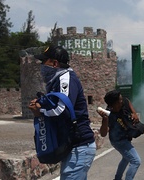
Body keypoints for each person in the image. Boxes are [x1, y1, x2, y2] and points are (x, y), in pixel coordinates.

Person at [28, 45, 96, 180]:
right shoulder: (56, 81)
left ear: (54, 63)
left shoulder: (65, 79)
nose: (42, 65)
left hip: (80, 145)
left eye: (44, 61)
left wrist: (40, 110)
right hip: (74, 146)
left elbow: (62, 110)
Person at [97, 90, 141, 180]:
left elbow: (127, 101)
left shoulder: (123, 102)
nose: (122, 101)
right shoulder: (109, 114)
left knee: (126, 158)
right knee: (136, 161)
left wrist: (134, 112)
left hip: (126, 137)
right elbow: (103, 133)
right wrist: (105, 120)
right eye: (119, 100)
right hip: (118, 141)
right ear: (113, 104)